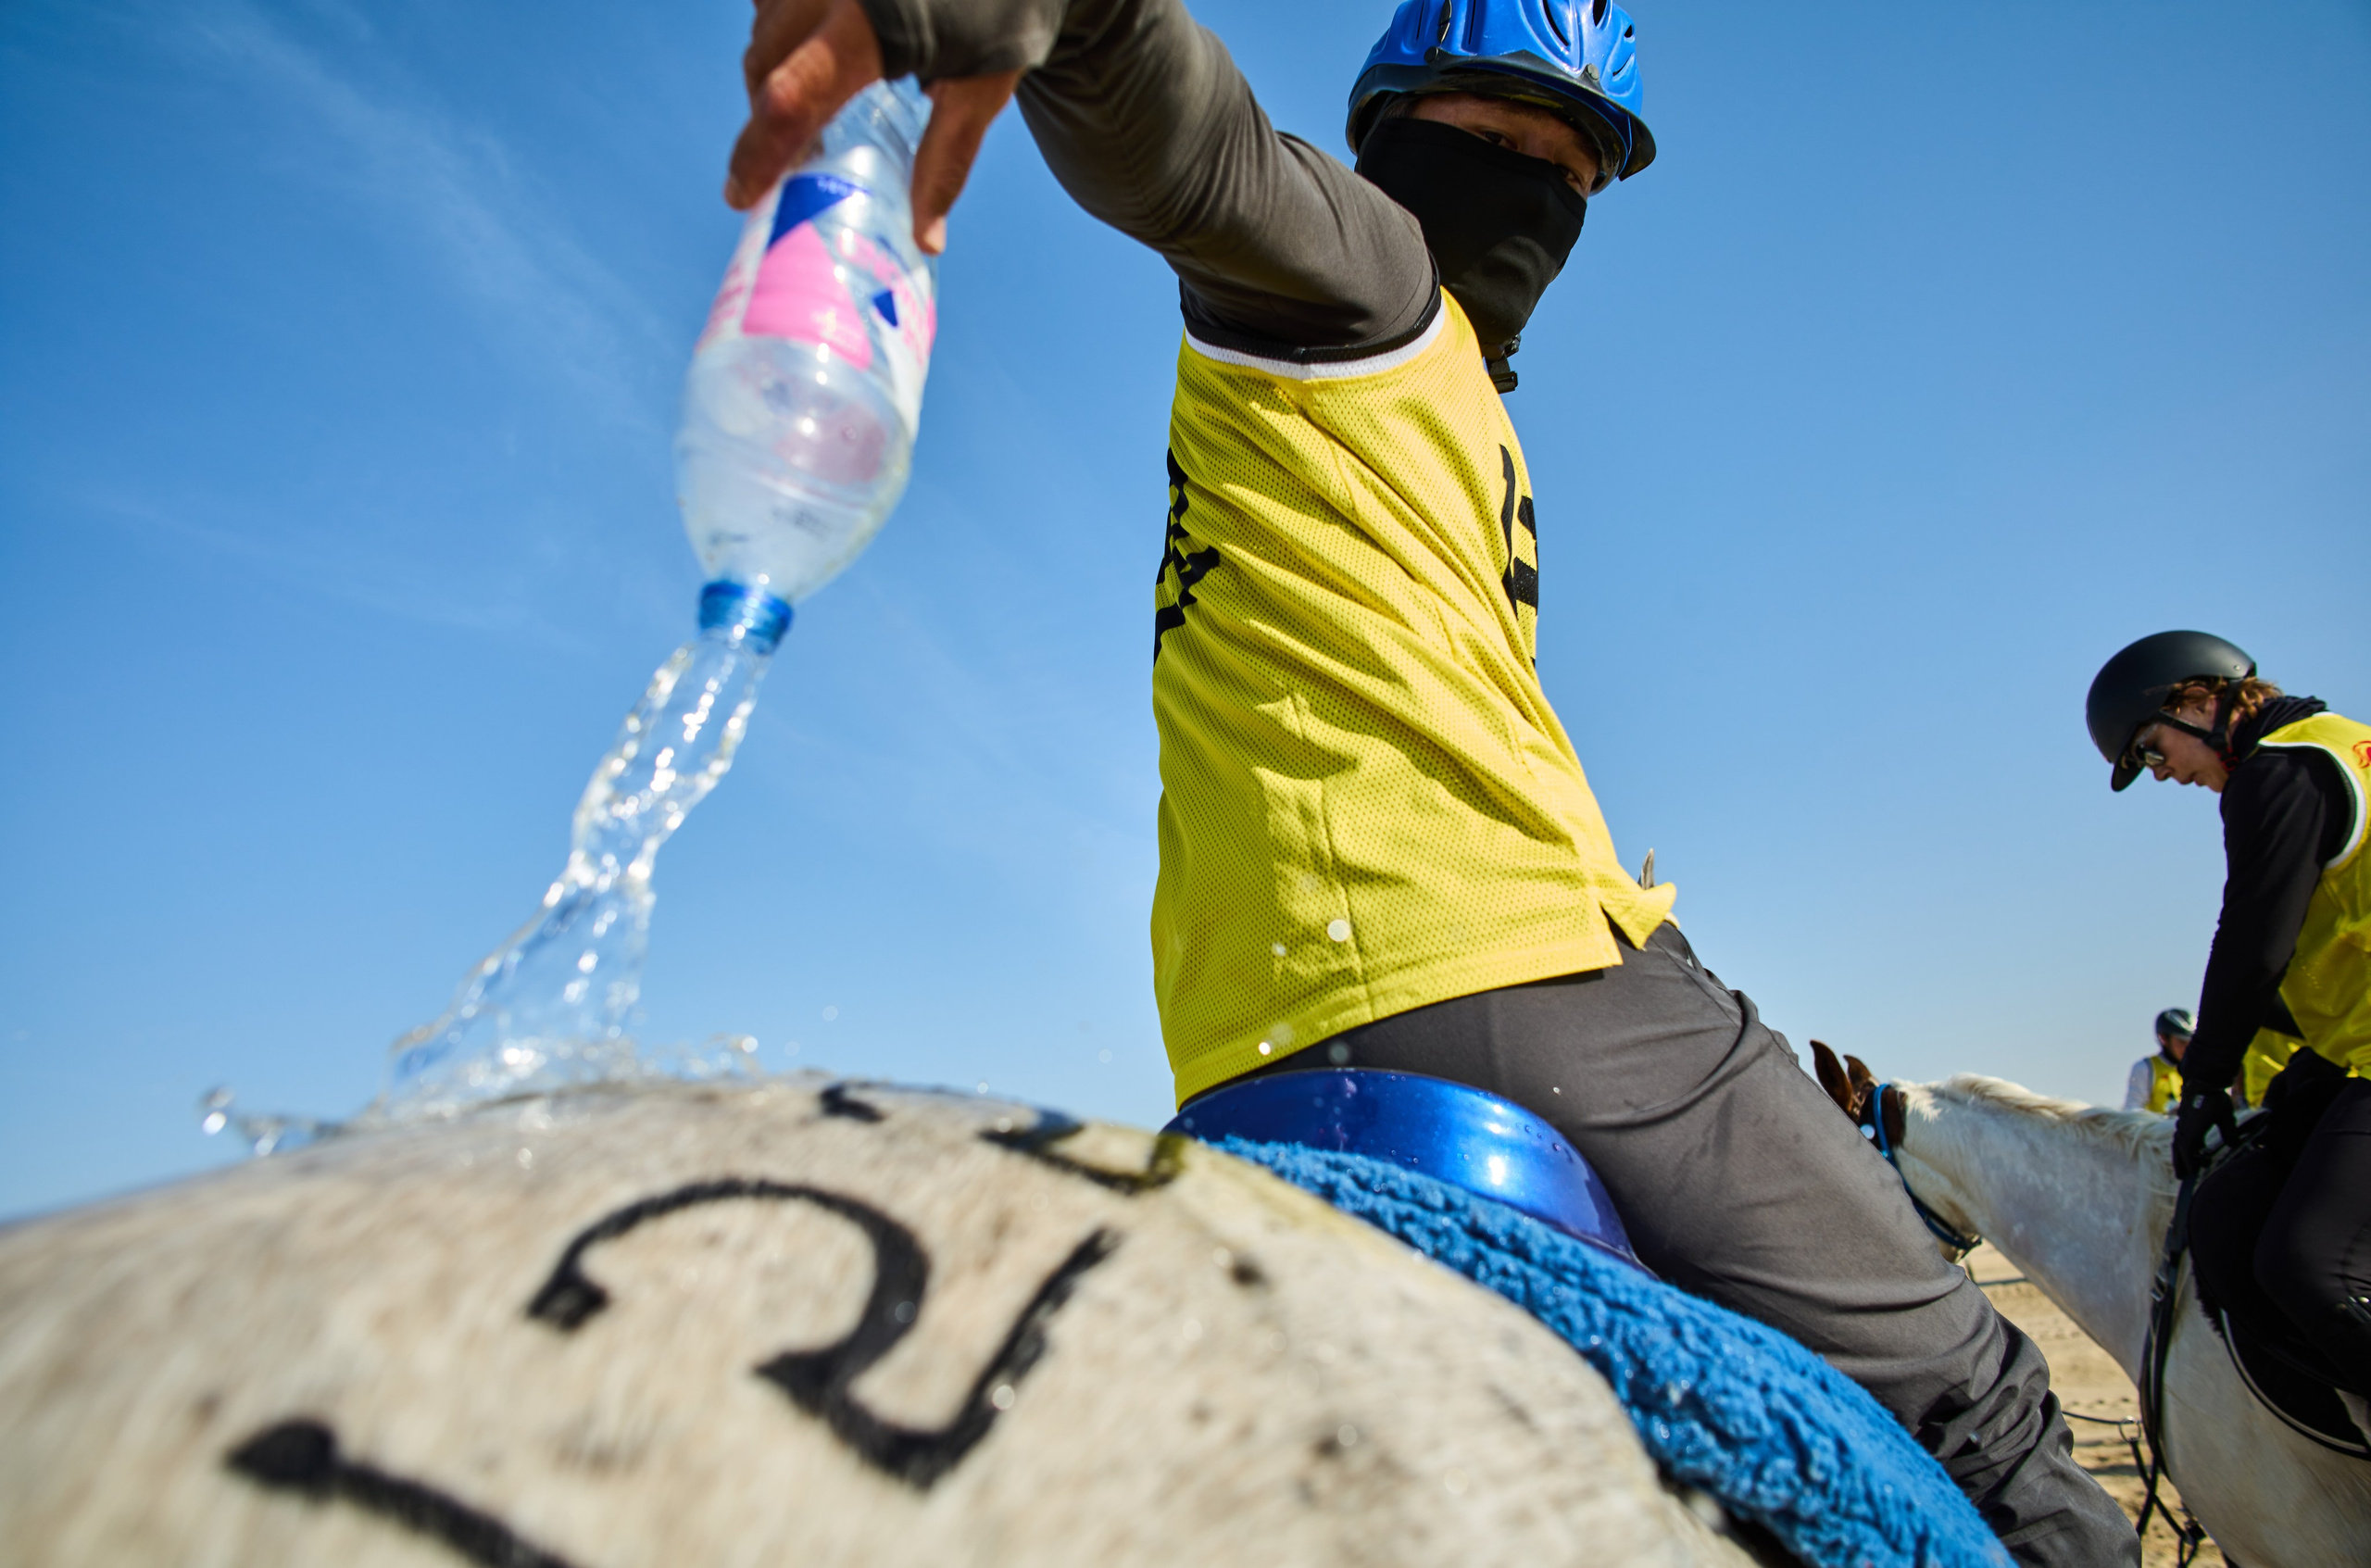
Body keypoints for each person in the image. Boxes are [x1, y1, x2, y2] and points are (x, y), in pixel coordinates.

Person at [727, 3, 2132, 1558]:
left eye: (1571, 170)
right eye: (1490, 138)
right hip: (1527, 972)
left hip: (1247, 1019)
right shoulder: (1367, 285)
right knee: (1978, 1394)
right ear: (1387, 135)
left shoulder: (1432, 393)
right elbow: (1198, 152)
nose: (1532, 191)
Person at [2085, 630, 2371, 1400]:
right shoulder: (2334, 745)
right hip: (2354, 1049)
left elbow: (2251, 941)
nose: (2164, 774)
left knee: (2305, 1264)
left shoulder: (2278, 771)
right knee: (2244, 1191)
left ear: (2199, 701)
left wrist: (2204, 1078)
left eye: (2151, 749)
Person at [2124, 1007, 2191, 1113]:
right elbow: (2132, 1111)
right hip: (2160, 1129)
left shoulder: (2201, 1069)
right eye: (2182, 1042)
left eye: (2191, 1042)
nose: (2188, 1048)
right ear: (2164, 1038)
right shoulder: (2145, 1068)